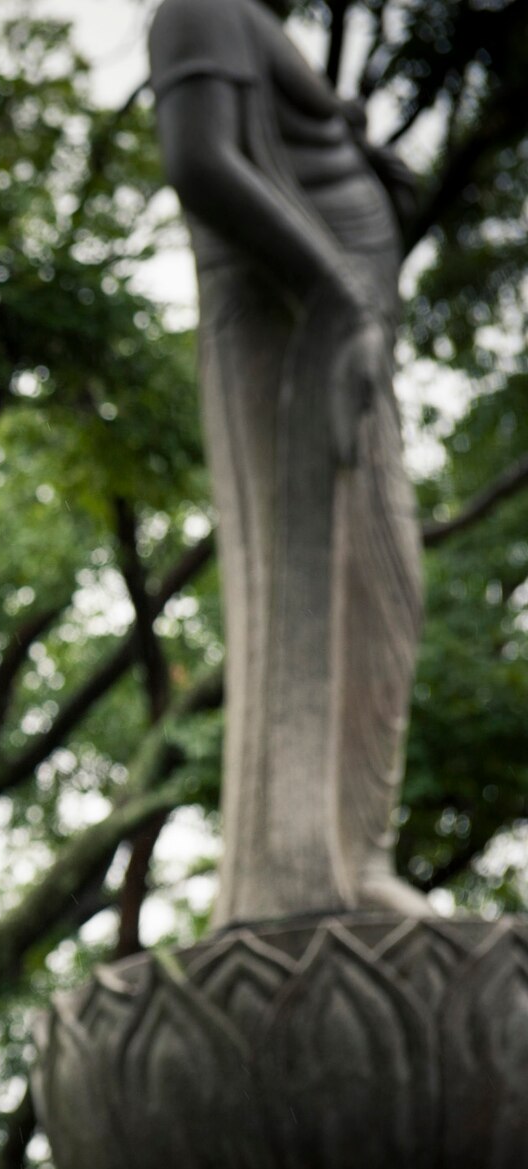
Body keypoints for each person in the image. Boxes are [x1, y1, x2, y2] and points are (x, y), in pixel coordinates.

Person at [149, 0, 429, 925]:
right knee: (306, 587)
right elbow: (200, 161)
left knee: (381, 596)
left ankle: (358, 855)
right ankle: (295, 876)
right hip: (292, 329)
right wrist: (337, 287)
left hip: (342, 341)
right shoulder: (199, 8)